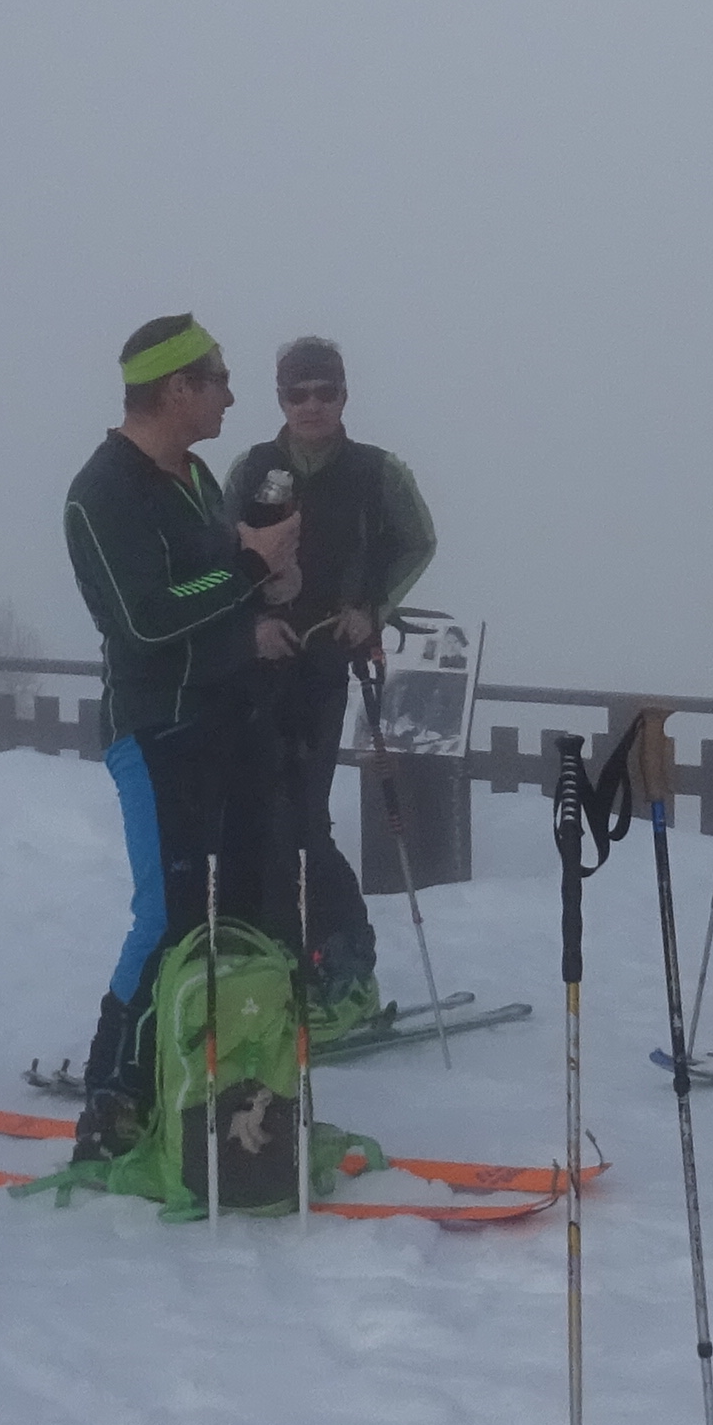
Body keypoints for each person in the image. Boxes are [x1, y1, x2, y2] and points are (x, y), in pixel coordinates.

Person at [59, 314, 309, 1154]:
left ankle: (220, 1085)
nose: (232, 397)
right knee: (166, 916)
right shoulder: (103, 492)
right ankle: (111, 1095)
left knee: (235, 913)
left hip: (226, 722)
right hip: (156, 729)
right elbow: (147, 619)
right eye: (220, 380)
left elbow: (214, 587)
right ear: (178, 389)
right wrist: (249, 566)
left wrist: (268, 589)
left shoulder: (196, 478)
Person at [221, 335, 441, 1027]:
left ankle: (345, 968)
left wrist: (372, 608)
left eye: (325, 391)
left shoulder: (377, 471)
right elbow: (218, 554)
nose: (312, 405)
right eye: (298, 393)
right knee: (255, 817)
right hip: (254, 669)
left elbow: (418, 543)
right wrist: (251, 622)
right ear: (280, 398)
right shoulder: (250, 469)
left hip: (323, 663)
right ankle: (274, 964)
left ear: (344, 395)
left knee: (303, 818)